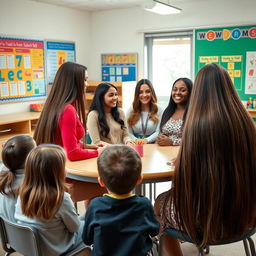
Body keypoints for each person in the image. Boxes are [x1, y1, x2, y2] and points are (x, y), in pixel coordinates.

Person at [154, 63, 256, 256]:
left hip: (209, 218)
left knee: (159, 203)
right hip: (245, 215)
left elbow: (186, 179)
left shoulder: (196, 125)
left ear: (197, 92)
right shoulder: (246, 122)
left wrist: (185, 159)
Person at [82, 145, 160, 256]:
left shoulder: (95, 206)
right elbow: (154, 231)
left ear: (101, 182)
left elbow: (87, 239)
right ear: (139, 179)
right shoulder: (144, 204)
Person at [14, 144, 88, 256]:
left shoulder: (22, 192)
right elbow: (74, 227)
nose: (66, 169)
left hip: (31, 247)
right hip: (56, 248)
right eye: (64, 166)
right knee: (90, 225)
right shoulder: (61, 198)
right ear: (56, 172)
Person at [33, 61, 103, 161]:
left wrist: (86, 146)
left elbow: (62, 141)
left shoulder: (55, 104)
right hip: (58, 166)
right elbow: (72, 154)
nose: (86, 84)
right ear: (73, 82)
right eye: (84, 80)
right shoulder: (68, 110)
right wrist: (98, 152)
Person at [0, 135, 36, 222]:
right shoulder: (33, 183)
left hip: (8, 233)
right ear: (30, 158)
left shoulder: (2, 172)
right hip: (29, 234)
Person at [157, 78, 192, 146]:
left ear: (190, 92)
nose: (177, 93)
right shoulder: (168, 111)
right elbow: (161, 132)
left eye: (182, 90)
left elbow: (195, 140)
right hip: (164, 153)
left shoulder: (193, 113)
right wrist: (160, 139)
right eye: (175, 89)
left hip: (183, 153)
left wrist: (172, 142)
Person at [127, 79, 164, 144]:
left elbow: (159, 131)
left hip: (153, 144)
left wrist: (146, 140)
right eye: (141, 92)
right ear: (137, 94)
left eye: (147, 91)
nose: (144, 95)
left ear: (152, 93)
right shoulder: (131, 110)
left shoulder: (160, 109)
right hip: (135, 145)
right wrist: (136, 140)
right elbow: (128, 132)